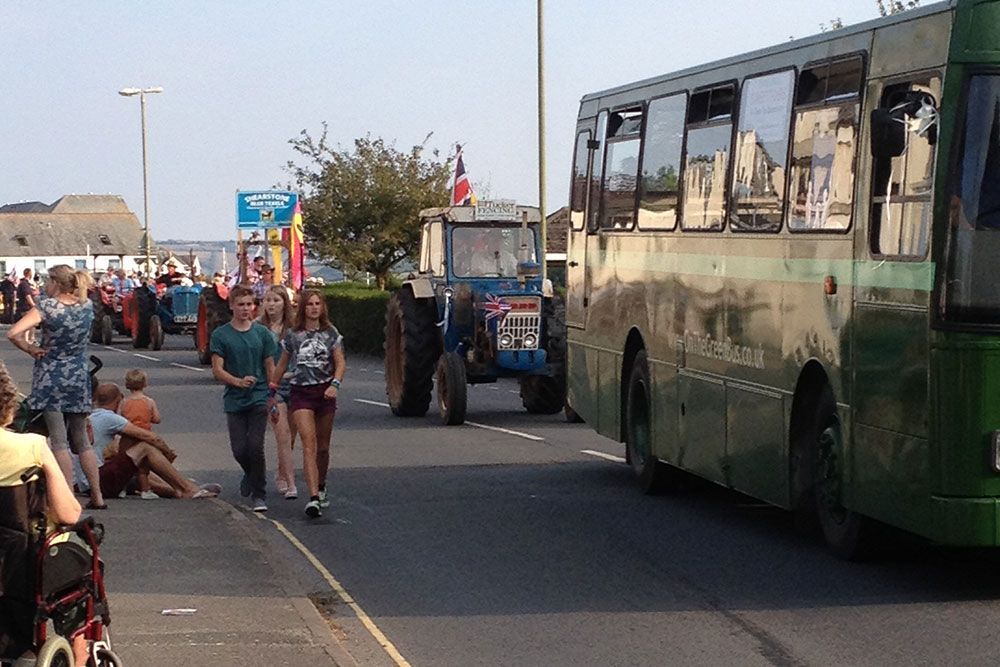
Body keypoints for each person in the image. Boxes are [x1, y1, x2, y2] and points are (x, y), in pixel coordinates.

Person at [0, 361, 88, 666]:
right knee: (81, 565)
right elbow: (68, 512)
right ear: (8, 407)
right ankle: (79, 651)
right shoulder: (33, 447)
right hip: (23, 563)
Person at [7, 265, 106, 510]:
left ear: (56, 283)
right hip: (79, 375)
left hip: (51, 376)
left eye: (46, 281)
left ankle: (68, 494)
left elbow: (14, 333)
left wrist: (31, 349)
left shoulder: (48, 307)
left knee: (59, 441)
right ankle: (97, 495)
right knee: (82, 440)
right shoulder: (86, 307)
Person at [270, 289, 345, 519]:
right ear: (303, 308)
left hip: (324, 393)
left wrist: (335, 385)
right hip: (301, 393)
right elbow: (281, 366)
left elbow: (340, 363)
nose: (314, 308)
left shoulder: (331, 333)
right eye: (310, 304)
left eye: (317, 304)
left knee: (322, 448)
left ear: (322, 308)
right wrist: (271, 390)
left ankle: (321, 485)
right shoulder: (293, 335)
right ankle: (313, 498)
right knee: (308, 443)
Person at [84, 383, 220, 500]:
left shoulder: (90, 415)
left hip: (83, 481)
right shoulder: (109, 418)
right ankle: (186, 488)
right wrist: (167, 453)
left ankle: (180, 488)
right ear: (119, 399)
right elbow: (151, 437)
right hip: (96, 481)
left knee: (133, 457)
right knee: (145, 448)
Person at [210, 285, 277, 512]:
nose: (245, 309)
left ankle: (260, 494)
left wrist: (272, 394)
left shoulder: (262, 334)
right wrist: (238, 381)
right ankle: (249, 473)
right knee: (239, 450)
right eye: (241, 304)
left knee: (255, 446)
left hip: (259, 397)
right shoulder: (221, 335)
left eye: (249, 304)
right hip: (235, 399)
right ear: (231, 306)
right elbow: (217, 370)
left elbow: (270, 365)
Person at [257, 285, 297, 499]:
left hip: (295, 384)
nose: (271, 304)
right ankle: (287, 481)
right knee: (282, 433)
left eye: (276, 300)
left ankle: (282, 471)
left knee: (291, 435)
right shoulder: (257, 327)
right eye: (268, 300)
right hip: (272, 388)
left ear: (284, 303)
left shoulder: (292, 329)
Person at [119, 369, 161, 499]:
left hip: (127, 436)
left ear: (127, 385)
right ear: (145, 384)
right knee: (143, 466)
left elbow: (119, 417)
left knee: (124, 464)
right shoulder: (149, 402)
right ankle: (145, 490)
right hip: (144, 437)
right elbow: (157, 419)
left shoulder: (124, 402)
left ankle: (121, 490)